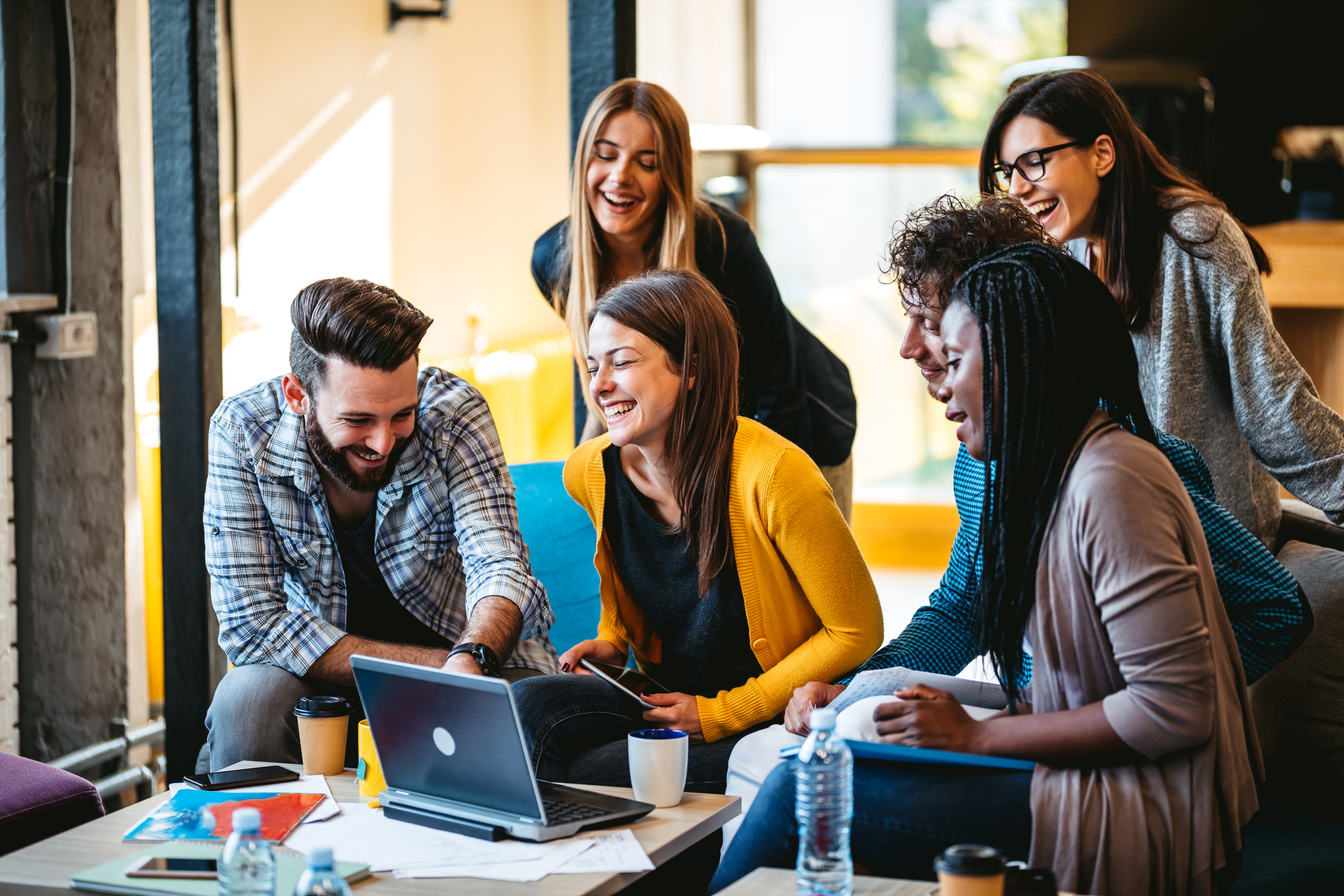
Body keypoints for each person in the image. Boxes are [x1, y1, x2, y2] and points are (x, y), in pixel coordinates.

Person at [719, 196, 1308, 851]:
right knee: (790, 745)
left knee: (805, 783)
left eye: (930, 321)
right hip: (1034, 708)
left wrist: (1099, 702)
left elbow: (1267, 616)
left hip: (1097, 752)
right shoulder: (983, 459)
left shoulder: (1124, 473)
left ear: (1006, 327)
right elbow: (964, 606)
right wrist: (851, 685)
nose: (910, 345)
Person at [511, 268, 882, 796]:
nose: (599, 385)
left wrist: (722, 713)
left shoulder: (775, 474)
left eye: (623, 362)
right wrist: (613, 644)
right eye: (594, 366)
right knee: (530, 710)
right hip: (668, 700)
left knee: (588, 773)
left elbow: (857, 630)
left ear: (690, 369)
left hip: (771, 716)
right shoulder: (589, 472)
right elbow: (635, 581)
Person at [201, 277, 557, 771]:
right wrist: (442, 666)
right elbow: (253, 626)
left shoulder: (454, 415)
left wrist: (473, 657)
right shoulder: (243, 433)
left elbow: (501, 567)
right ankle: (269, 850)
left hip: (478, 667)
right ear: (297, 395)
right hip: (327, 680)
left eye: (401, 414)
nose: (384, 442)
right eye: (358, 420)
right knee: (246, 702)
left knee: (538, 708)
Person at [982, 69, 1344, 548]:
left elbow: (1274, 407)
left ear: (1102, 154)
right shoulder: (1067, 254)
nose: (1017, 189)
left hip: (1207, 545)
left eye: (1033, 162)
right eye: (1008, 171)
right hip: (1115, 534)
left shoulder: (1194, 237)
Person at [531, 78, 857, 518]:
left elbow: (778, 382)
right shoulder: (554, 259)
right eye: (605, 155)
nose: (620, 176)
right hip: (692, 454)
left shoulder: (722, 243)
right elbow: (605, 379)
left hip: (797, 429)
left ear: (671, 174)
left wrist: (770, 499)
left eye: (647, 162)